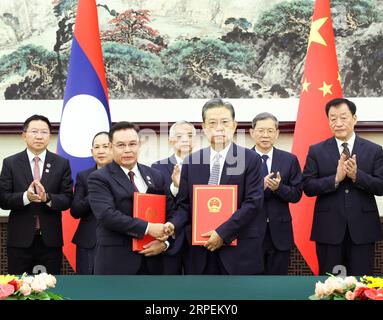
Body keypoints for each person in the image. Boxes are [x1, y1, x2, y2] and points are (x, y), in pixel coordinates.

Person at [165, 98, 264, 275]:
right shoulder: (192, 161)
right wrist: (173, 224)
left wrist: (222, 233)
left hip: (238, 251)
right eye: (212, 123)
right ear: (203, 128)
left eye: (224, 122)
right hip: (199, 252)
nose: (219, 128)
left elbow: (253, 203)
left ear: (234, 126)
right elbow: (185, 205)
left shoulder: (250, 159)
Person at [302, 98, 383, 276]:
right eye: (333, 118)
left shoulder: (374, 150)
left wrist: (357, 176)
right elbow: (307, 186)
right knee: (330, 284)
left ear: (354, 118)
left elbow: (381, 186)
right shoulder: (316, 150)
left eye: (343, 117)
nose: (338, 123)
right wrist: (335, 179)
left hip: (362, 230)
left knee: (361, 284)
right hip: (328, 230)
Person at [87, 122, 173, 275]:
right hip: (116, 264)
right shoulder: (99, 178)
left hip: (153, 262)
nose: (127, 150)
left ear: (139, 145)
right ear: (111, 147)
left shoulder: (155, 175)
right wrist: (148, 228)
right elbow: (107, 215)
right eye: (121, 145)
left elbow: (170, 211)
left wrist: (165, 243)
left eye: (132, 144)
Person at [0, 114, 73, 275]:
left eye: (44, 132)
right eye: (34, 131)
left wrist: (47, 198)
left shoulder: (61, 163)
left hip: (50, 241)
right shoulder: (10, 163)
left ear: (50, 135)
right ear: (24, 135)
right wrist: (26, 197)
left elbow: (67, 199)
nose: (39, 136)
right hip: (19, 240)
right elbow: (3, 199)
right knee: (18, 288)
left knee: (50, 288)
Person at [250, 112, 302, 275]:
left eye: (270, 131)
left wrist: (278, 188)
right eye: (261, 130)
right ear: (252, 133)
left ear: (277, 133)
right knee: (252, 284)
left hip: (280, 232)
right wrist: (261, 186)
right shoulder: (241, 160)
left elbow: (296, 195)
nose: (265, 135)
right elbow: (235, 195)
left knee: (277, 283)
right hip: (251, 232)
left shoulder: (289, 160)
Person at [151, 121, 196, 274]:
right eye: (180, 136)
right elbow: (158, 203)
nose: (185, 140)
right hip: (169, 238)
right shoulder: (157, 167)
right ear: (171, 141)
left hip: (196, 239)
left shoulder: (206, 165)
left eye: (190, 136)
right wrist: (176, 187)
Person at [70, 132, 113, 275]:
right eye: (97, 147)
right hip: (89, 240)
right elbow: (75, 211)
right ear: (92, 151)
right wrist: (94, 194)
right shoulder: (84, 176)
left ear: (113, 148)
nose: (101, 151)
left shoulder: (124, 174)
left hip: (117, 241)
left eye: (105, 146)